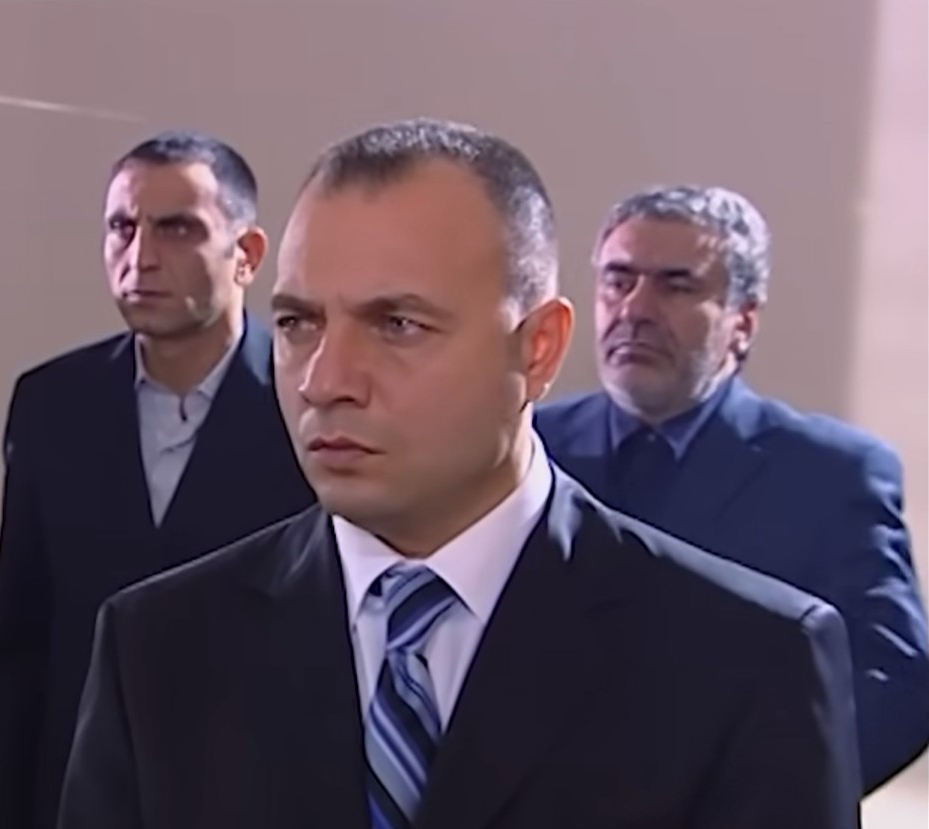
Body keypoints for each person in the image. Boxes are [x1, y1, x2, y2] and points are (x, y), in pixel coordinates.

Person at [57, 119, 861, 829]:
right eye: (299, 322)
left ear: (538, 349)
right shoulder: (157, 648)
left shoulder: (747, 664)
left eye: (397, 323)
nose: (324, 380)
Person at [0, 131, 314, 829]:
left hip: (258, 794)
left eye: (177, 229)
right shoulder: (52, 403)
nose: (141, 257)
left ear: (247, 254)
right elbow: (19, 648)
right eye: (122, 228)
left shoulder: (308, 402)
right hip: (82, 793)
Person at [535, 184, 929, 792]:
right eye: (618, 280)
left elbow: (894, 682)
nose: (635, 309)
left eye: (676, 285)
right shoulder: (525, 449)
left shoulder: (830, 476)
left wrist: (767, 802)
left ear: (742, 321)